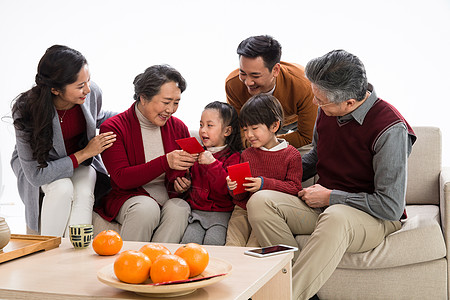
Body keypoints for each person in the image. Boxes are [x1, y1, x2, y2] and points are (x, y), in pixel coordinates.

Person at [247, 50, 417, 300]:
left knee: (336, 216)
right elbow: (317, 158)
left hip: (373, 219)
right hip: (325, 212)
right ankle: (301, 288)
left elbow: (390, 207)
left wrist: (331, 198)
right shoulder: (327, 111)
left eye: (321, 101)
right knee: (261, 202)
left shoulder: (390, 129)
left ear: (348, 102)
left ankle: (283, 297)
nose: (315, 104)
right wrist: (269, 177)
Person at [10, 45, 116, 237]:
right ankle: (47, 252)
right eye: (79, 86)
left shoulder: (92, 93)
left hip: (81, 162)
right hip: (42, 164)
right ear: (55, 90)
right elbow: (35, 175)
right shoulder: (26, 109)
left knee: (84, 192)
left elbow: (98, 117)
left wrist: (138, 114)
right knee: (62, 188)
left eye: (88, 81)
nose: (87, 89)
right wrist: (85, 153)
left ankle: (76, 256)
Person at [95, 64, 197, 242]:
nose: (171, 109)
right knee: (146, 208)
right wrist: (165, 162)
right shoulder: (113, 128)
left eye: (176, 103)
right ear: (143, 98)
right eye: (166, 102)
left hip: (167, 197)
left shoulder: (179, 127)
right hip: (129, 197)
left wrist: (183, 182)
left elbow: (187, 172)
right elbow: (121, 178)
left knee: (180, 208)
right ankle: (130, 263)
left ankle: (159, 262)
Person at [225, 94, 303, 247]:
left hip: (267, 214)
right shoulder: (247, 154)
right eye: (245, 129)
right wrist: (233, 187)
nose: (248, 135)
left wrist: (263, 184)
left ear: (274, 126)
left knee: (252, 249)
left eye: (254, 128)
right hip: (242, 210)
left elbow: (295, 188)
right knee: (232, 247)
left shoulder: (292, 155)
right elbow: (240, 197)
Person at [225, 35, 317, 148]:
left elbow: (307, 136)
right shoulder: (233, 84)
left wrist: (269, 143)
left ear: (275, 70)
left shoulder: (304, 85)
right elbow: (239, 133)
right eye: (243, 73)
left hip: (294, 120)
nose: (248, 82)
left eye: (255, 75)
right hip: (256, 125)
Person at [179, 101, 243, 245]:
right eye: (201, 125)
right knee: (188, 244)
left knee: (213, 244)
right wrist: (184, 182)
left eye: (209, 125)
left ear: (227, 131)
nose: (202, 130)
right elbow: (188, 183)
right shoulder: (195, 152)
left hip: (221, 215)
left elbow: (226, 190)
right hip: (196, 214)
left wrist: (212, 164)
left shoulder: (235, 158)